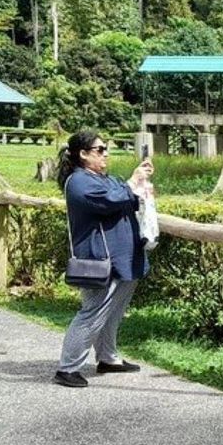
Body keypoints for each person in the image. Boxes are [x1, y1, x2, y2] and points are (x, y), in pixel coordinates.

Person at [53, 130, 154, 388]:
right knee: (93, 312)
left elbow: (126, 199)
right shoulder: (79, 181)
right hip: (101, 260)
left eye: (106, 148)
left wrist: (140, 187)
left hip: (123, 257)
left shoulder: (102, 178)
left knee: (113, 311)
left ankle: (108, 357)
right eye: (100, 149)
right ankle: (68, 368)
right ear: (83, 154)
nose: (105, 153)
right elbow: (110, 200)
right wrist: (132, 181)